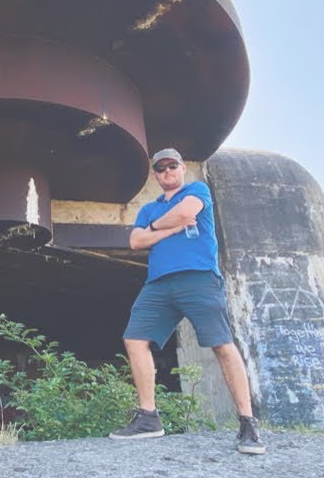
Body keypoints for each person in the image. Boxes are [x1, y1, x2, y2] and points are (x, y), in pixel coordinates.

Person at [109, 148, 265, 454]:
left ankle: (248, 423)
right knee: (134, 338)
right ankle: (148, 418)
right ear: (155, 175)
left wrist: (160, 229)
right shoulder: (148, 210)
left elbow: (186, 213)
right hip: (158, 284)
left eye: (172, 166)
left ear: (182, 169)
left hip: (199, 278)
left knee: (222, 344)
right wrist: (164, 228)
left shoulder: (197, 189)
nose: (167, 172)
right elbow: (135, 241)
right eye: (161, 168)